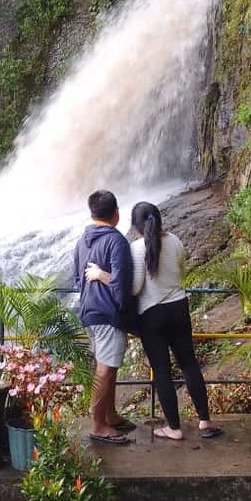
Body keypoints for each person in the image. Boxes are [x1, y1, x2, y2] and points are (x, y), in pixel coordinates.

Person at [86, 201, 222, 441]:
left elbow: (135, 288)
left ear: (135, 225)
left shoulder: (136, 248)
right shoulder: (176, 241)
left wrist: (102, 275)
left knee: (162, 371)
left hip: (152, 314)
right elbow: (180, 273)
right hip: (179, 308)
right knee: (189, 363)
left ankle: (174, 428)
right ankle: (205, 421)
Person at [73, 190, 136, 445]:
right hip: (108, 312)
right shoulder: (116, 241)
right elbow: (121, 285)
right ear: (116, 214)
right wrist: (123, 309)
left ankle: (109, 414)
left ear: (92, 213)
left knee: (106, 364)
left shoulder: (81, 242)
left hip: (88, 310)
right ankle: (98, 425)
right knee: (106, 369)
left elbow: (77, 279)